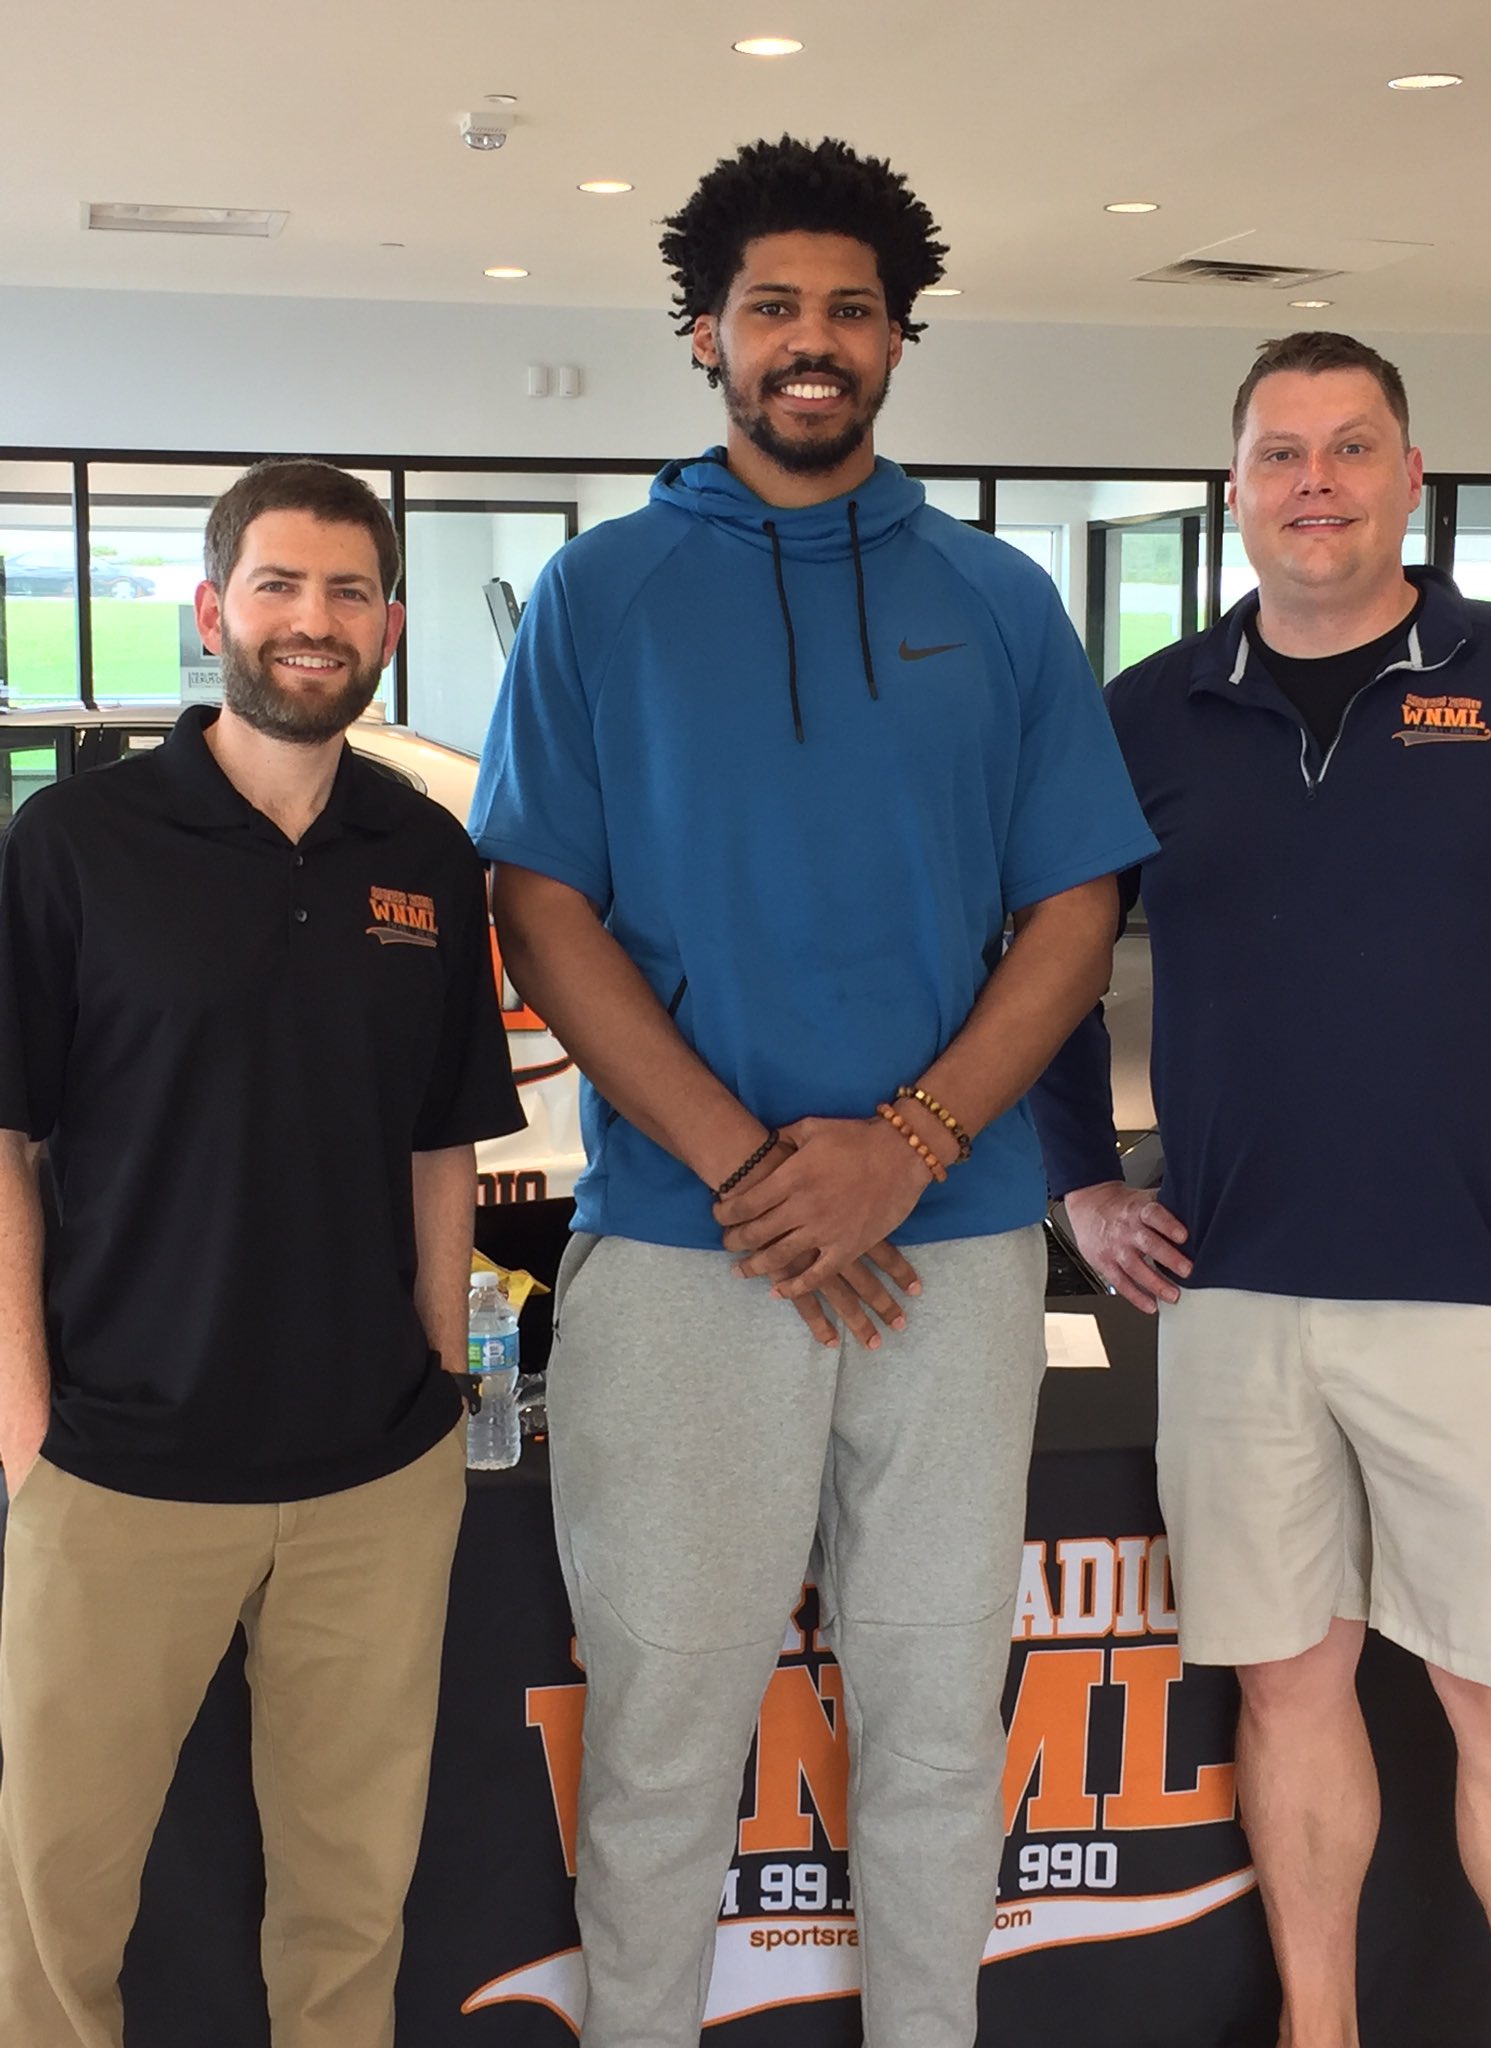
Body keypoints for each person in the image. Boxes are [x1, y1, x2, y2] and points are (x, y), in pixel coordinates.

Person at [468, 135, 1156, 2048]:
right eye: (773, 304)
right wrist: (758, 1171)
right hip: (687, 1262)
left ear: (897, 341)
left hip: (950, 1258)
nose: (812, 338)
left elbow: (1074, 909)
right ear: (706, 333)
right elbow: (542, 905)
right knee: (668, 1738)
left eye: (851, 308)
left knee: (942, 1721)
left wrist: (908, 1149)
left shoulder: (1002, 603)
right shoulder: (601, 601)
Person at [1030, 331, 1491, 2048]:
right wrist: (1078, 1188)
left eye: (1350, 446)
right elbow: (1042, 963)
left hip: (1484, 1296)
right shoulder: (1148, 712)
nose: (1314, 479)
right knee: (1288, 1690)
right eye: (1280, 452)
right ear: (1235, 489)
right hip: (1231, 1290)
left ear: (1410, 475)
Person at [0, 459, 523, 2048]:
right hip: (118, 1467)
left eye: (348, 592)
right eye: (281, 588)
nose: (314, 622)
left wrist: (435, 1382)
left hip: (372, 1476)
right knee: (55, 1902)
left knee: (352, 1903)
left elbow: (448, 1145)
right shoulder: (75, 842)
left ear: (392, 623)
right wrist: (26, 1427)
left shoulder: (426, 858)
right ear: (216, 611)